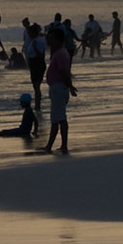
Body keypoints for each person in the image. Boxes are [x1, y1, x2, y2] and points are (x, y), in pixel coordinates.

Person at [43, 25, 76, 153]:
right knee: (56, 118)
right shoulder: (59, 53)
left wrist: (70, 86)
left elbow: (64, 72)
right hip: (57, 87)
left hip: (59, 87)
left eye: (51, 39)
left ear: (58, 40)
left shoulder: (61, 54)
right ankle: (51, 145)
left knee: (60, 118)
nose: (49, 42)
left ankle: (61, 145)